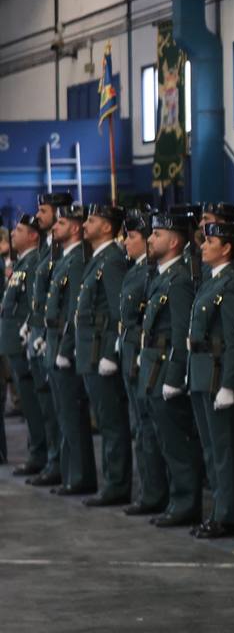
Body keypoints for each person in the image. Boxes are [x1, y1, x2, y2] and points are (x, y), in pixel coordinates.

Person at [139, 212, 202, 527]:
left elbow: (181, 333)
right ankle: (171, 499)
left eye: (157, 234)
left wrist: (176, 377)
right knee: (161, 438)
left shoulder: (178, 280)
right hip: (153, 364)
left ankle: (186, 502)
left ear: (175, 241)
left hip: (166, 368)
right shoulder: (161, 275)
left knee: (177, 442)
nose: (150, 239)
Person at [186, 222, 234, 538]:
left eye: (210, 241)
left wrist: (229, 384)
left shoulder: (231, 283)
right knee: (211, 449)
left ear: (226, 248)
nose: (203, 246)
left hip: (218, 375)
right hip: (201, 372)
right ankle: (217, 511)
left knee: (225, 449)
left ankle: (228, 516)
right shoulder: (210, 281)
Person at [75, 204, 132, 507]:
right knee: (105, 419)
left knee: (111, 422)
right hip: (89, 350)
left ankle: (117, 484)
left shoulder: (111, 261)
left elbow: (116, 311)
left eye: (92, 220)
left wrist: (111, 351)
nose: (85, 224)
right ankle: (112, 480)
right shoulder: (96, 259)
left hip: (101, 353)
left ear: (108, 227)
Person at [118, 212, 168, 517]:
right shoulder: (136, 270)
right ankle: (150, 491)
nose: (127, 242)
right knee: (141, 427)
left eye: (132, 237)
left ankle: (155, 493)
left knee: (149, 428)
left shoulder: (150, 272)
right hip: (132, 352)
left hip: (146, 355)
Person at [44, 202, 94, 496]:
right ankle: (69, 472)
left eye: (60, 224)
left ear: (74, 228)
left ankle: (80, 475)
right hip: (53, 342)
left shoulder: (76, 261)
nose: (54, 228)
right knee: (62, 413)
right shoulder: (65, 259)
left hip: (66, 345)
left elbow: (76, 310)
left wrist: (66, 347)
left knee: (72, 415)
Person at [26, 192, 70, 488]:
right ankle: (51, 460)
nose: (39, 216)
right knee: (46, 405)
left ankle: (59, 464)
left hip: (59, 338)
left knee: (60, 411)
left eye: (43, 211)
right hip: (43, 335)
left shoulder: (64, 251)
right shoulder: (47, 249)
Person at [3, 215, 51, 477]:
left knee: (34, 404)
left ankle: (40, 454)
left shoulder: (33, 263)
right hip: (14, 344)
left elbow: (32, 304)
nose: (13, 234)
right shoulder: (22, 262)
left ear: (33, 235)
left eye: (19, 230)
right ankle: (38, 452)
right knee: (30, 405)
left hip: (25, 345)